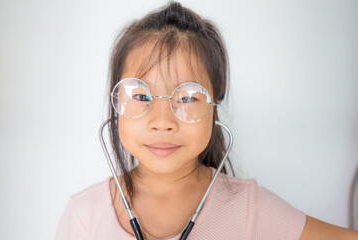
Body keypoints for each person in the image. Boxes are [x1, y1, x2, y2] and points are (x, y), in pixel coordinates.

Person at [55, 2, 358, 239]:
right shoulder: (85, 214)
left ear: (214, 109)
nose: (163, 122)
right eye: (141, 96)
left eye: (187, 98)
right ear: (116, 102)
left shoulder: (250, 208)